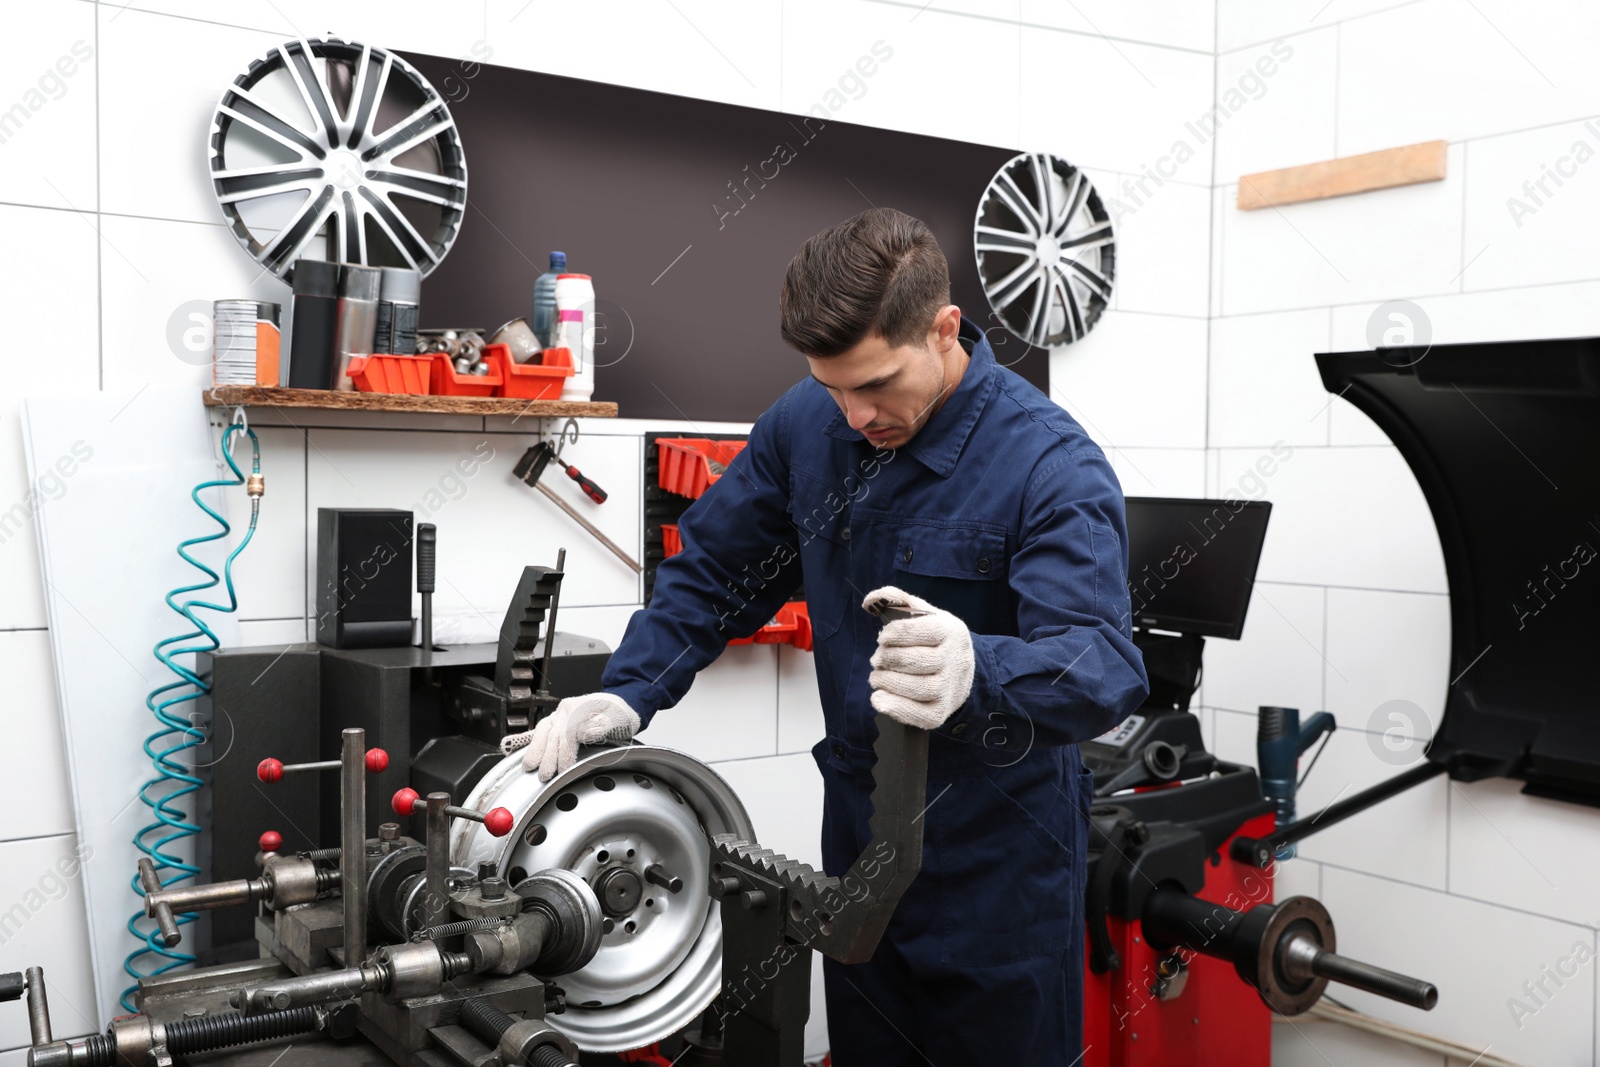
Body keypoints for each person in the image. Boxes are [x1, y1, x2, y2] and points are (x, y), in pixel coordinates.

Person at [499, 207, 1149, 1064]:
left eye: (875, 384)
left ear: (944, 329)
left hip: (1003, 868)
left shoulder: (1049, 464)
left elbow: (1104, 664)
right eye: (832, 385)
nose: (852, 415)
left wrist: (976, 668)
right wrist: (629, 690)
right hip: (859, 848)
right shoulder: (806, 425)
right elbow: (713, 573)